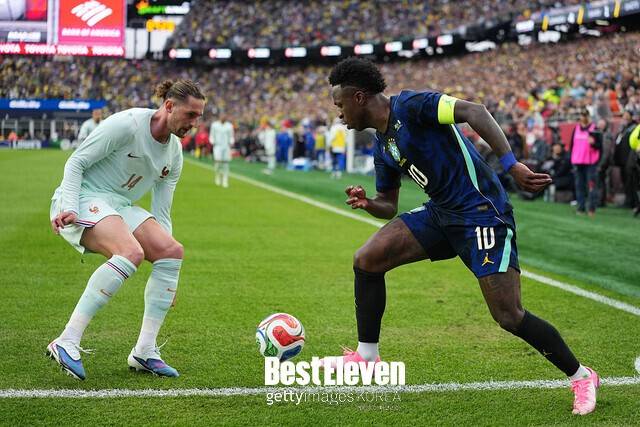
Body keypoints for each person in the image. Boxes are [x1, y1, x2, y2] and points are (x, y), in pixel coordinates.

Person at [324, 58, 599, 415]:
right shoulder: (382, 144)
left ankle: (582, 376)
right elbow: (388, 205)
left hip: (481, 212)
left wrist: (511, 164)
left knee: (509, 315)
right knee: (367, 259)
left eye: (340, 105)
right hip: (441, 213)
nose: (339, 115)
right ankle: (367, 357)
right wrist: (368, 203)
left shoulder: (413, 106)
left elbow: (474, 111)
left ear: (359, 97)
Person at [48, 79, 206, 380]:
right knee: (130, 251)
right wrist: (69, 206)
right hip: (82, 198)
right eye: (190, 115)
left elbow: (162, 211)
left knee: (172, 251)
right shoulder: (128, 124)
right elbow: (76, 163)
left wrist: (168, 278)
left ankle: (144, 351)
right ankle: (66, 340)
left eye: (199, 117)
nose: (194, 124)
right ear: (169, 106)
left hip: (118, 205)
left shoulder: (174, 153)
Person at [569, 110, 599, 216]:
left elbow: (600, 146)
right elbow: (572, 145)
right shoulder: (576, 128)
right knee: (579, 186)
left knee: (591, 186)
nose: (583, 117)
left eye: (585, 115)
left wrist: (594, 143)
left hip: (590, 162)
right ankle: (581, 207)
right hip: (578, 161)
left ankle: (591, 208)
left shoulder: (594, 129)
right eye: (582, 115)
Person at [210, 114, 235, 188]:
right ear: (219, 117)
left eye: (224, 117)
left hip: (226, 146)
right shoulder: (214, 125)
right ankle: (217, 176)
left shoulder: (229, 126)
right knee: (218, 163)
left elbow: (231, 136)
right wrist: (212, 142)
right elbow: (212, 135)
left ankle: (225, 180)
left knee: (225, 164)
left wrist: (231, 142)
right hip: (217, 146)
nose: (223, 118)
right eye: (222, 116)